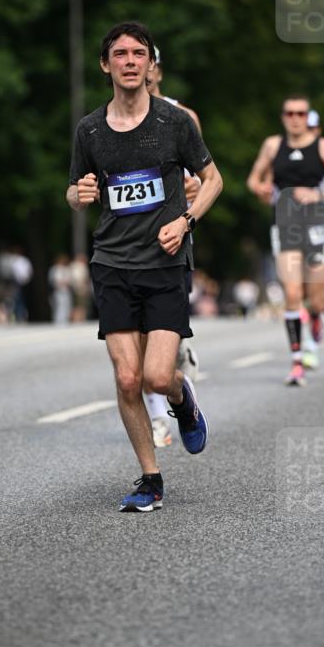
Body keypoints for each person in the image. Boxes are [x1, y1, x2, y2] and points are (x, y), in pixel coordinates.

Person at [67, 21, 222, 511]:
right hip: (112, 262)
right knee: (127, 378)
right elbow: (75, 190)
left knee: (157, 376)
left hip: (164, 261)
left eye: (139, 53)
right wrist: (79, 194)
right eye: (120, 54)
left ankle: (181, 398)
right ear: (105, 64)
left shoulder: (174, 122)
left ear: (150, 64)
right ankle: (150, 478)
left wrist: (186, 220)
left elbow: (213, 179)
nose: (130, 61)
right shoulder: (90, 129)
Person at [247, 96, 324, 385]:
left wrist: (317, 194)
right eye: (290, 113)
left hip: (317, 224)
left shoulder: (323, 147)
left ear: (307, 117)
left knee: (316, 298)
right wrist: (261, 189)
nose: (295, 118)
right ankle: (296, 362)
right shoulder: (272, 146)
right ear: (283, 117)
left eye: (301, 113)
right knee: (292, 293)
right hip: (285, 223)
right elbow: (253, 179)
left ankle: (317, 318)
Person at [144, 46, 202, 447]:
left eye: (148, 62)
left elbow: (203, 177)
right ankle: (155, 418)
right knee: (136, 340)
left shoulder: (182, 116)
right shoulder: (109, 120)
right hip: (128, 240)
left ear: (158, 70)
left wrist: (192, 197)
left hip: (173, 237)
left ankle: (179, 358)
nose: (140, 70)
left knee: (164, 337)